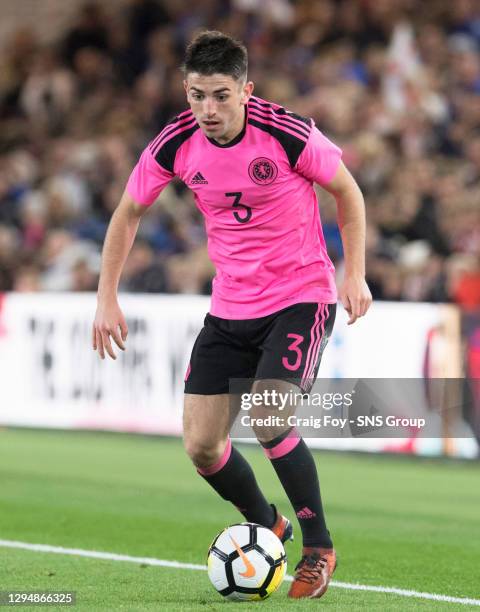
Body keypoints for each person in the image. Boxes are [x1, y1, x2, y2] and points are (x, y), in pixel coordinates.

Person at [92, 30, 372, 599]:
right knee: (200, 446)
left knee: (270, 416)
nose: (208, 109)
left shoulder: (287, 133)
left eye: (220, 95)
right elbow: (127, 214)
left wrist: (354, 271)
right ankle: (267, 522)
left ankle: (318, 548)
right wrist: (106, 295)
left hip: (299, 297)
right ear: (185, 90)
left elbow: (348, 192)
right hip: (229, 307)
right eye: (197, 95)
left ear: (247, 89)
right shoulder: (174, 143)